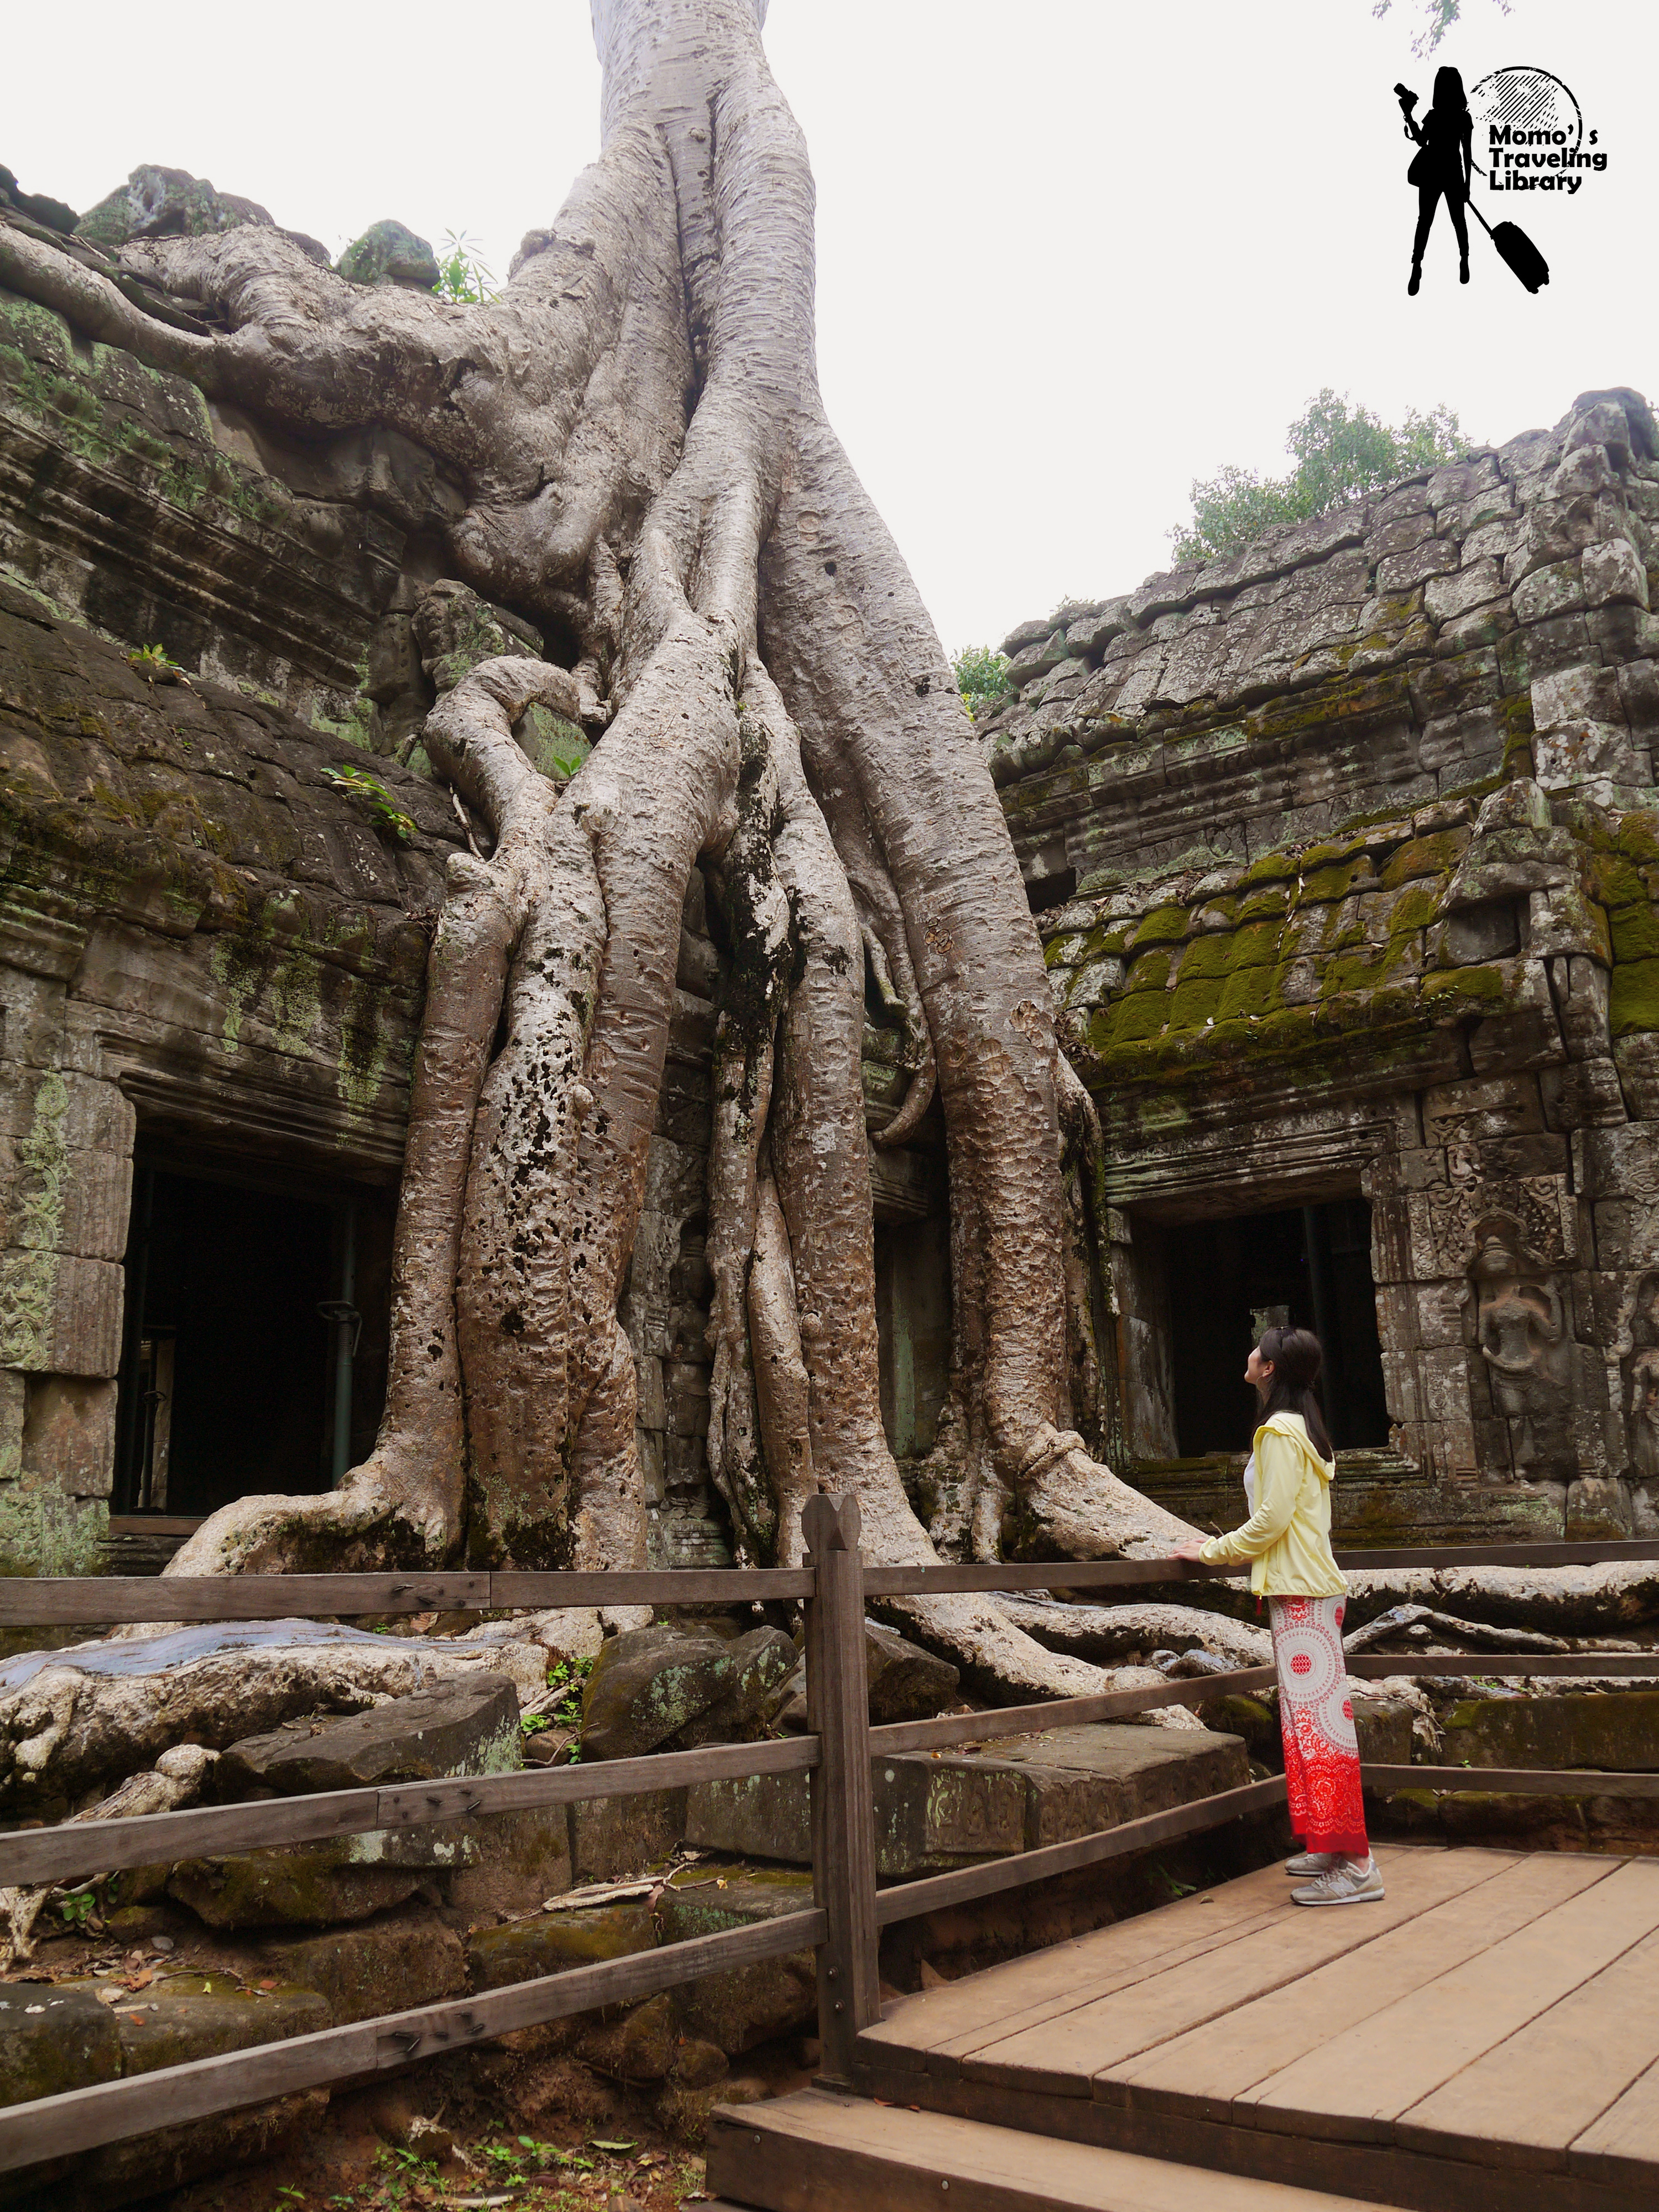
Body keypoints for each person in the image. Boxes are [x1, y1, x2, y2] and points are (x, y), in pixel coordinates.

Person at [1171, 1326, 1383, 1906]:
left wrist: (1210, 1550)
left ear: (1268, 1368)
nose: (1250, 1352)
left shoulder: (1279, 1432)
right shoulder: (1301, 1427)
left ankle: (1358, 1863)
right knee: (1306, 1724)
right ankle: (1331, 1845)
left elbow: (1271, 1519)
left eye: (1257, 1347)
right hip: (1303, 1589)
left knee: (1320, 1729)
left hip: (1302, 1592)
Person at [1399, 66, 1473, 295]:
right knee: (1453, 221)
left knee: (1430, 222)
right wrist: (1409, 115)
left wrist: (1409, 115)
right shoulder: (1458, 116)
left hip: (1440, 173)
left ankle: (1424, 264)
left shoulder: (1450, 116)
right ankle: (1424, 264)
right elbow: (1465, 153)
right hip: (1447, 173)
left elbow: (1423, 141)